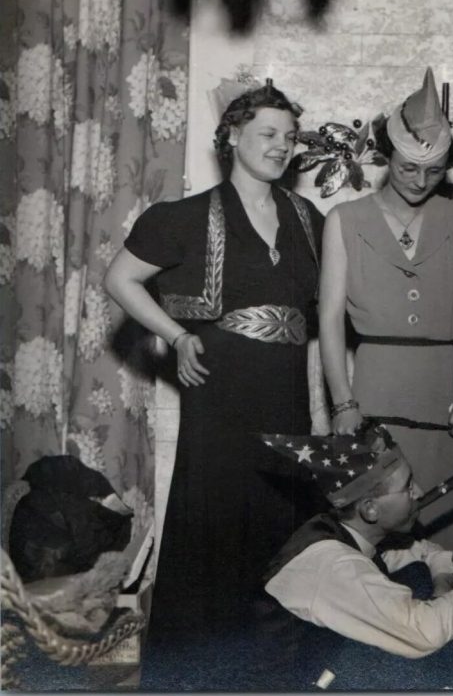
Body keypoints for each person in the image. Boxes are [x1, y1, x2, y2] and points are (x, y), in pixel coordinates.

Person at [104, 78, 325, 645]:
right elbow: (120, 280)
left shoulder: (310, 220)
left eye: (290, 136)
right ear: (232, 136)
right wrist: (176, 336)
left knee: (286, 535)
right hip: (222, 392)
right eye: (268, 133)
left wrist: (325, 411)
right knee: (217, 526)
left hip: (288, 397)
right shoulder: (181, 216)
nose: (282, 145)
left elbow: (322, 327)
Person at [318, 68, 453, 578]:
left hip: (448, 408)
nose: (420, 181)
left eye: (432, 172)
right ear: (389, 156)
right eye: (409, 168)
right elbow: (329, 319)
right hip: (375, 401)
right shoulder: (346, 220)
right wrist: (343, 403)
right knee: (377, 538)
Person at [261, 423, 453, 664]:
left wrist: (441, 587)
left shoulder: (349, 534)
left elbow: (429, 552)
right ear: (370, 509)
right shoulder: (334, 566)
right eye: (408, 486)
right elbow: (424, 634)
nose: (420, 492)